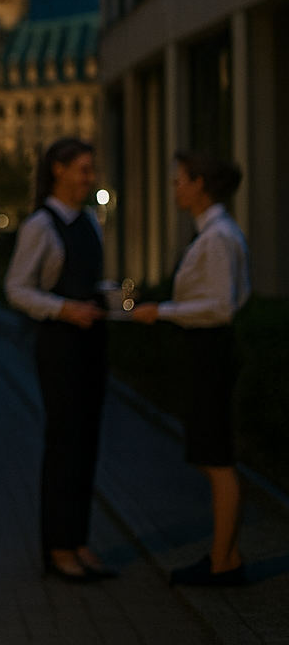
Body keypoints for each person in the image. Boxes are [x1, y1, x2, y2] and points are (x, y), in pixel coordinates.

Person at [131, 150, 249, 587]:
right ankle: (225, 554)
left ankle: (224, 562)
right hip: (208, 351)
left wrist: (161, 311)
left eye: (180, 178)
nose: (175, 186)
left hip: (210, 351)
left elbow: (219, 307)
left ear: (200, 184)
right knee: (212, 455)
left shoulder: (217, 236)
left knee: (217, 460)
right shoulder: (216, 232)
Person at [3, 138, 118, 583]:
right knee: (65, 446)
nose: (90, 178)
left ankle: (79, 541)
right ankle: (58, 548)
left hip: (92, 343)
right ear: (58, 170)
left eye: (91, 170)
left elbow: (92, 278)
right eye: (84, 170)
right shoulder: (41, 225)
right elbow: (17, 289)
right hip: (61, 347)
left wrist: (112, 299)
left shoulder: (90, 220)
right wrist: (65, 309)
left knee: (87, 445)